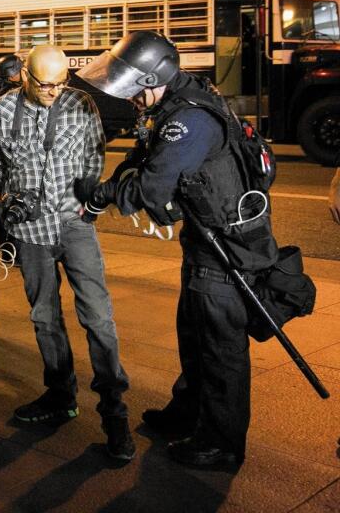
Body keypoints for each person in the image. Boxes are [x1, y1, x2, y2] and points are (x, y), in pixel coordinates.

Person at [75, 30, 279, 469]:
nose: (129, 97)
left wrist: (102, 194)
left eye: (134, 88)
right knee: (194, 334)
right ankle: (186, 414)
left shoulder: (190, 121)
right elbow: (144, 156)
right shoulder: (175, 101)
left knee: (219, 349)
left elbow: (149, 189)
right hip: (205, 242)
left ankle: (221, 444)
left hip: (227, 250)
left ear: (153, 79)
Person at [0, 44, 134, 462]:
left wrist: (89, 202)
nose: (53, 92)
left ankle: (114, 413)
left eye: (60, 83)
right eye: (45, 84)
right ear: (25, 77)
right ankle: (59, 395)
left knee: (98, 319)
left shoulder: (80, 103)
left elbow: (94, 156)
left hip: (74, 224)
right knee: (44, 317)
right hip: (30, 230)